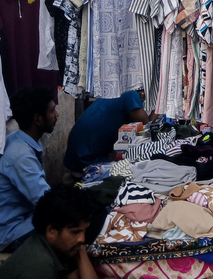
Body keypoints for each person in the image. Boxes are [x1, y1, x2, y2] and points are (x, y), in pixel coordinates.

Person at [0, 86, 57, 252]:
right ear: (38, 119)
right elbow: (45, 202)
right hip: (11, 233)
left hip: (24, 219)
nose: (56, 115)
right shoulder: (20, 155)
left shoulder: (22, 140)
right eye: (52, 111)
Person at [0, 185, 97, 279]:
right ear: (51, 231)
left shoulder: (59, 247)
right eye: (75, 232)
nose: (82, 239)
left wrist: (81, 252)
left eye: (84, 231)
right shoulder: (39, 267)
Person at [64, 90, 148, 173]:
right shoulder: (130, 93)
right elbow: (147, 126)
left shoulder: (116, 91)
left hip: (74, 157)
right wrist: (160, 105)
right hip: (85, 161)